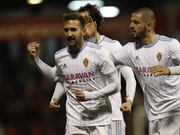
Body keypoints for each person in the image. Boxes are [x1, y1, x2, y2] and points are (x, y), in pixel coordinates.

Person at [27, 4, 136, 135]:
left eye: (85, 19)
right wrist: (55, 98)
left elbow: (129, 76)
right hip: (81, 119)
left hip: (111, 115)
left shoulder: (112, 46)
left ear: (93, 23)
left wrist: (129, 100)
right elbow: (63, 78)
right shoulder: (72, 53)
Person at [110, 7, 180, 135]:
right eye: (131, 21)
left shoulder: (169, 44)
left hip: (175, 111)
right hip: (154, 114)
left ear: (149, 26)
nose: (130, 25)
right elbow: (105, 62)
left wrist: (169, 70)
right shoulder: (130, 50)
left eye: (136, 22)